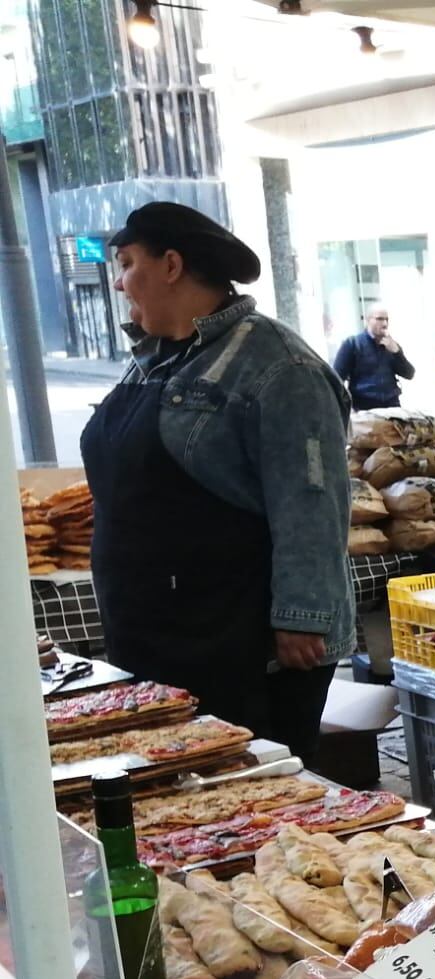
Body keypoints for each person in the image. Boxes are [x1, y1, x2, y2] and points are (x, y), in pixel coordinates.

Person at [80, 202, 351, 761]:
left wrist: (302, 618)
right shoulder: (156, 360)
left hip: (234, 642)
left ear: (172, 265)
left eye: (127, 263)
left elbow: (310, 499)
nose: (117, 281)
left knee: (248, 798)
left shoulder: (279, 366)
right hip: (152, 633)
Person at [331, 305, 414, 410]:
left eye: (386, 319)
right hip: (364, 407)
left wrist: (397, 353)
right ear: (368, 320)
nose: (385, 324)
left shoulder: (391, 345)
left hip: (392, 406)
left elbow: (409, 374)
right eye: (379, 319)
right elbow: (337, 378)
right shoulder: (353, 344)